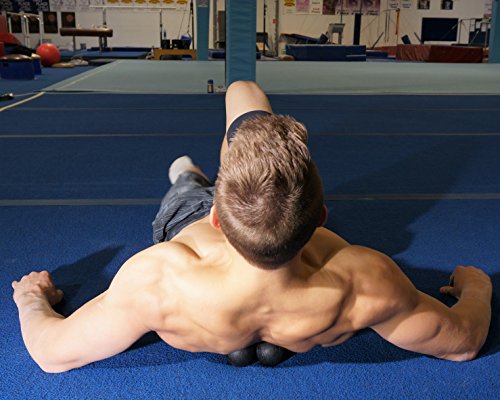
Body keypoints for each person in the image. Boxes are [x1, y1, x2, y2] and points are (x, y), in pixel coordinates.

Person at [12, 81, 492, 373]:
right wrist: (478, 288)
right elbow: (463, 342)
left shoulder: (158, 281)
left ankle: (188, 175)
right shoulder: (366, 282)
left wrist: (32, 299)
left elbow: (52, 353)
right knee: (217, 174)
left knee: (186, 186)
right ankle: (267, 337)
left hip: (194, 247)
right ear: (322, 219)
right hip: (306, 311)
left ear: (217, 221)